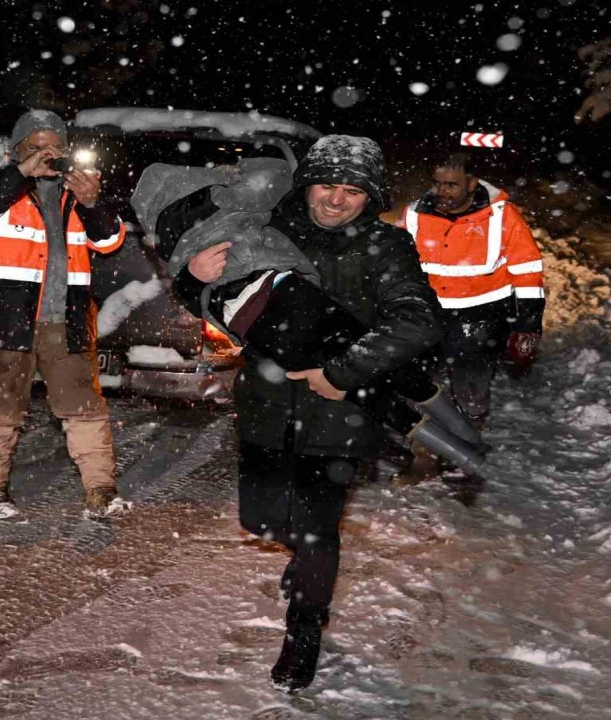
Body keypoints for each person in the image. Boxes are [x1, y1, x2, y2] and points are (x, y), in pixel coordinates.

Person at [171, 136, 443, 693]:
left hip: (341, 415)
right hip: (267, 404)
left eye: (351, 192)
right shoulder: (264, 228)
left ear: (370, 197)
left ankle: (304, 631)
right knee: (263, 522)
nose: (336, 201)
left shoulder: (386, 246)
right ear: (306, 183)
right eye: (327, 186)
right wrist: (193, 278)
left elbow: (417, 322)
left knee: (319, 533)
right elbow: (218, 302)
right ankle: (301, 562)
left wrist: (340, 372)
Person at [130, 158, 488, 477]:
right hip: (267, 316)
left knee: (369, 373)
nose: (334, 198)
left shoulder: (213, 215)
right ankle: (465, 451)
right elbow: (192, 296)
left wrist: (224, 185)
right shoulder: (201, 222)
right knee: (365, 378)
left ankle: (465, 445)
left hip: (277, 303)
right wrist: (195, 271)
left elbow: (274, 177)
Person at [0, 109, 126, 520]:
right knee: (1, 407)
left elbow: (109, 241)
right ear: (16, 150)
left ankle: (101, 491)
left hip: (65, 318)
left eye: (55, 146)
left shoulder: (74, 188)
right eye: (37, 147)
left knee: (84, 407)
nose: (48, 154)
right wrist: (19, 174)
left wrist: (93, 202)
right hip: (4, 318)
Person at [394, 153, 546, 484]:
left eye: (451, 184)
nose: (442, 192)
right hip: (427, 315)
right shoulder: (416, 214)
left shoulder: (501, 216)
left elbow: (528, 270)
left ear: (472, 184)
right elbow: (392, 261)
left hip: (482, 318)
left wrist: (528, 325)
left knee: (470, 390)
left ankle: (468, 443)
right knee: (417, 386)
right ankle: (425, 457)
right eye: (436, 183)